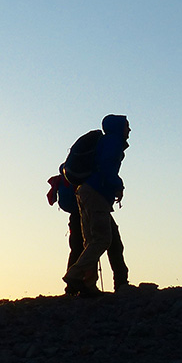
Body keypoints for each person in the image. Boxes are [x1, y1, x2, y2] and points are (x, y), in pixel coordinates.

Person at [62, 115, 131, 297]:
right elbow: (107, 168)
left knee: (91, 241)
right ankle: (75, 275)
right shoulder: (112, 142)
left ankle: (88, 284)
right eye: (127, 126)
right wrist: (118, 185)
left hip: (84, 191)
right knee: (102, 239)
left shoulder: (105, 142)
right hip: (96, 193)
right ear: (118, 127)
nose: (129, 130)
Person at [47, 166, 128, 294]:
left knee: (80, 248)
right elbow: (108, 168)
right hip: (94, 204)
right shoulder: (95, 162)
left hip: (77, 210)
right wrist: (118, 187)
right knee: (111, 244)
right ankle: (120, 283)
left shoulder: (72, 168)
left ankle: (76, 287)